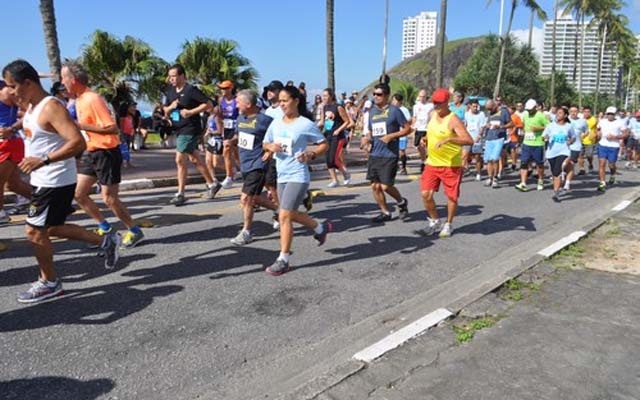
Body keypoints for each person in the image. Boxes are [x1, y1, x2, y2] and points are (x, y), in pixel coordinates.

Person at [3, 59, 121, 303]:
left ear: (28, 83)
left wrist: (43, 160)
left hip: (54, 180)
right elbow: (36, 127)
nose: (10, 92)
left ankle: (50, 282)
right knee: (52, 228)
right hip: (43, 179)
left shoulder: (51, 106)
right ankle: (106, 240)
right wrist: (12, 129)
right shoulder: (33, 106)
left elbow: (77, 141)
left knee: (34, 232)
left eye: (12, 86)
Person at [61, 61, 144, 249]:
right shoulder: (79, 99)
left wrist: (81, 126)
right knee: (79, 194)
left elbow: (112, 128)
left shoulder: (92, 99)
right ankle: (104, 227)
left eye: (63, 77)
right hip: (92, 152)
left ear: (73, 80)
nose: (61, 82)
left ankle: (134, 230)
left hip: (106, 152)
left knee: (109, 198)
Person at [262, 86, 330, 276]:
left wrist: (311, 153)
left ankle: (283, 259)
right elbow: (265, 143)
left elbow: (323, 144)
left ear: (296, 101)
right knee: (289, 214)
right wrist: (271, 147)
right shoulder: (276, 123)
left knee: (283, 216)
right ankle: (320, 227)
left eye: (285, 100)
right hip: (282, 174)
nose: (282, 104)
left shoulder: (305, 124)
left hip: (298, 175)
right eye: (280, 101)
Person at [418, 88, 473, 238]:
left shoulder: (453, 119)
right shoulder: (432, 115)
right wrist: (425, 140)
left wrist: (449, 139)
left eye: (439, 103)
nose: (435, 105)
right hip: (432, 163)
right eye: (434, 102)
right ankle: (435, 221)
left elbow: (469, 140)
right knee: (425, 194)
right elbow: (431, 133)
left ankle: (448, 224)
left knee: (452, 197)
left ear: (447, 103)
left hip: (451, 165)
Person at [163, 64, 219, 206]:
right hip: (179, 128)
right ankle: (212, 183)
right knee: (195, 159)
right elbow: (165, 110)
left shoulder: (191, 90)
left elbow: (208, 104)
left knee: (179, 159)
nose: (171, 79)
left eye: (174, 76)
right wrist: (171, 108)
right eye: (170, 76)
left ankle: (180, 193)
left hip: (190, 128)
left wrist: (191, 112)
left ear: (182, 76)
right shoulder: (170, 92)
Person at [229, 90, 278, 245]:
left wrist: (270, 150)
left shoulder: (264, 120)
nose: (236, 105)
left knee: (246, 199)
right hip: (245, 164)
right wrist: (231, 141)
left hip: (258, 164)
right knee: (255, 197)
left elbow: (279, 135)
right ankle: (280, 211)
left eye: (238, 102)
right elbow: (240, 135)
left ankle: (246, 232)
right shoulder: (240, 118)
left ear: (248, 104)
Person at [361, 83, 411, 223]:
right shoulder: (372, 112)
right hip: (375, 154)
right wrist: (367, 139)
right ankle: (385, 212)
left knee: (386, 186)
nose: (375, 97)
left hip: (389, 154)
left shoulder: (394, 111)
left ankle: (401, 202)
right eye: (374, 94)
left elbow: (408, 129)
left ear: (387, 96)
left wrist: (392, 136)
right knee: (375, 186)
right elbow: (371, 132)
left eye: (379, 94)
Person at [0, 79, 31, 224]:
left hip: (8, 143)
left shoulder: (6, 91)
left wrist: (11, 128)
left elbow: (30, 111)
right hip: (8, 143)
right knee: (12, 185)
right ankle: (48, 201)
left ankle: (0, 214)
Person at [319, 88, 353, 187]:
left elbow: (347, 121)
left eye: (325, 95)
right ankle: (335, 180)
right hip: (327, 135)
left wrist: (339, 130)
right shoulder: (324, 107)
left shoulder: (338, 107)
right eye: (323, 96)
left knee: (334, 159)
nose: (323, 97)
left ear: (331, 96)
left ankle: (345, 174)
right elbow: (322, 122)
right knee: (328, 159)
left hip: (338, 137)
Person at [542, 106, 576, 202]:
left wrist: (570, 141)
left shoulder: (568, 126)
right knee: (554, 173)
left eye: (560, 113)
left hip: (563, 151)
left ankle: (556, 193)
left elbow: (573, 137)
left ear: (565, 115)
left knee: (558, 171)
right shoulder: (550, 125)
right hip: (551, 152)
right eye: (557, 112)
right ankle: (560, 184)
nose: (558, 114)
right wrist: (545, 138)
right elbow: (543, 136)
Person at [515, 99, 548, 192]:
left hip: (537, 144)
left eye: (530, 109)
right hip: (526, 143)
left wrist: (538, 128)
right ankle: (523, 183)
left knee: (539, 164)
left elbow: (549, 126)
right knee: (524, 162)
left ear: (535, 107)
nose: (529, 111)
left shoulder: (541, 115)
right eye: (528, 109)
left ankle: (540, 180)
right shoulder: (525, 115)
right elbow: (524, 126)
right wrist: (523, 131)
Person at [596, 106, 629, 192]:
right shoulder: (602, 121)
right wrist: (598, 134)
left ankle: (613, 174)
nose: (610, 116)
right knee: (602, 163)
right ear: (606, 114)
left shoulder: (620, 123)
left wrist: (616, 137)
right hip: (602, 145)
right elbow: (598, 129)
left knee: (611, 164)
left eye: (612, 114)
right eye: (608, 114)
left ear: (615, 114)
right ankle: (602, 183)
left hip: (614, 146)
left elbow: (626, 134)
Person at [482, 99, 512, 188]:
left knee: (495, 159)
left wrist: (501, 126)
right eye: (488, 109)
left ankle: (495, 178)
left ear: (495, 105)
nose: (489, 111)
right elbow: (486, 123)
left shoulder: (503, 111)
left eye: (491, 109)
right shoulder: (488, 113)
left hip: (499, 138)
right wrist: (486, 126)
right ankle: (489, 177)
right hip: (489, 138)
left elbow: (511, 123)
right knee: (488, 160)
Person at [218, 80, 241, 189]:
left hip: (236, 129)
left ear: (231, 88)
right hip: (227, 129)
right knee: (227, 151)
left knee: (235, 153)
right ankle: (229, 176)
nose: (223, 90)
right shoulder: (221, 100)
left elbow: (242, 114)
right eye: (222, 88)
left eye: (225, 88)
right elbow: (220, 114)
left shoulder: (236, 100)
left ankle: (241, 172)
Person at [565, 105, 588, 191]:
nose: (573, 113)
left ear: (578, 112)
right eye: (571, 111)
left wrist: (583, 135)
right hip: (564, 146)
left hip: (576, 146)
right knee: (563, 163)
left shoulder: (582, 121)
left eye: (575, 111)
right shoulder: (565, 120)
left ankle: (567, 183)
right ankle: (563, 174)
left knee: (570, 164)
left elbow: (587, 131)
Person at [463, 99, 487, 181]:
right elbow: (465, 125)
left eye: (477, 106)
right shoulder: (466, 114)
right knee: (464, 155)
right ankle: (465, 169)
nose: (476, 108)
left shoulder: (481, 114)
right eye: (474, 106)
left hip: (477, 138)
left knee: (477, 157)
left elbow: (482, 126)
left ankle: (479, 173)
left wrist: (479, 136)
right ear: (470, 106)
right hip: (468, 138)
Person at [411, 89, 433, 173]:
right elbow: (414, 117)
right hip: (419, 128)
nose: (422, 98)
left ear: (426, 97)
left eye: (423, 97)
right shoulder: (415, 106)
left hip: (427, 129)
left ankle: (427, 164)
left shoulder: (430, 105)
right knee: (419, 147)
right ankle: (423, 160)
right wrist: (413, 128)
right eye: (420, 96)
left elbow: (433, 116)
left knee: (426, 146)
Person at [391, 93, 411, 175]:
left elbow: (409, 120)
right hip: (394, 134)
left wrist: (402, 124)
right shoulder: (391, 109)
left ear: (399, 101)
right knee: (394, 151)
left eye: (394, 100)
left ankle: (403, 168)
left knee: (401, 151)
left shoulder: (404, 110)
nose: (392, 102)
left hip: (402, 134)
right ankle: (395, 167)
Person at [578, 105, 597, 174]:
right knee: (580, 155)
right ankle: (581, 169)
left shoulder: (594, 120)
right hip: (580, 140)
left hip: (590, 140)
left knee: (589, 155)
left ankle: (590, 164)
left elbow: (598, 130)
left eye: (588, 112)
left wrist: (595, 135)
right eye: (585, 112)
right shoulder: (579, 120)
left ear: (590, 112)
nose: (586, 113)